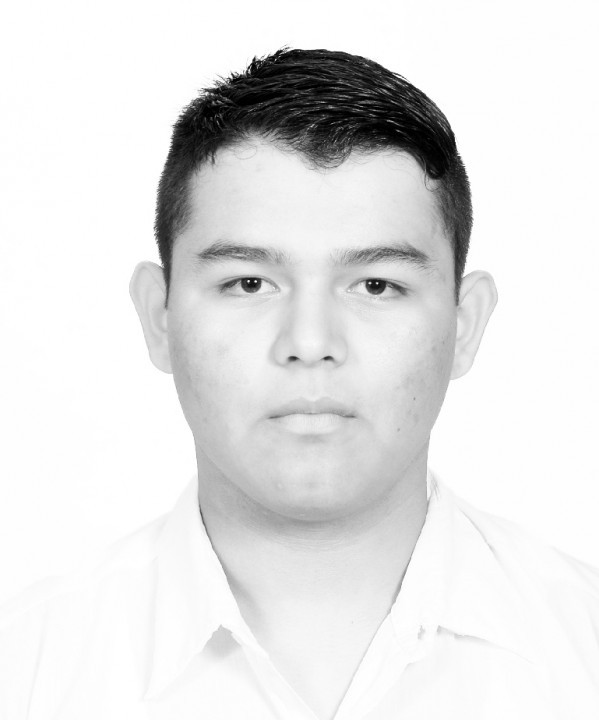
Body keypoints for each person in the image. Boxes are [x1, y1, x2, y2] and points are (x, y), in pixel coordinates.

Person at [1, 48, 598, 720]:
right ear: (159, 316)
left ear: (464, 324)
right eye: (248, 283)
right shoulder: (24, 672)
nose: (310, 343)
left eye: (377, 285)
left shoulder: (583, 652)